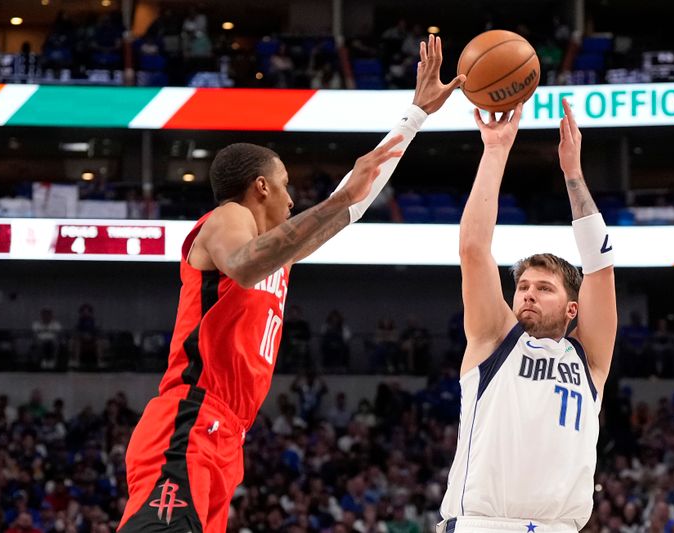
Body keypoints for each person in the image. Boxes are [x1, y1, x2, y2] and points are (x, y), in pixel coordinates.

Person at [118, 34, 463, 533]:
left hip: (225, 434)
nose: (292, 197)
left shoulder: (279, 253)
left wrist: (415, 116)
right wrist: (330, 203)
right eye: (284, 184)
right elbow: (242, 263)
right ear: (260, 186)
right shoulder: (227, 218)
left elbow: (352, 204)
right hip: (189, 420)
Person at [438, 99, 617, 532]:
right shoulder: (495, 338)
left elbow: (601, 267)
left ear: (572, 308)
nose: (528, 296)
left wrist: (573, 175)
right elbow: (473, 250)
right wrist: (495, 150)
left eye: (544, 288)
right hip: (484, 524)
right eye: (522, 287)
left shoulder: (590, 359)